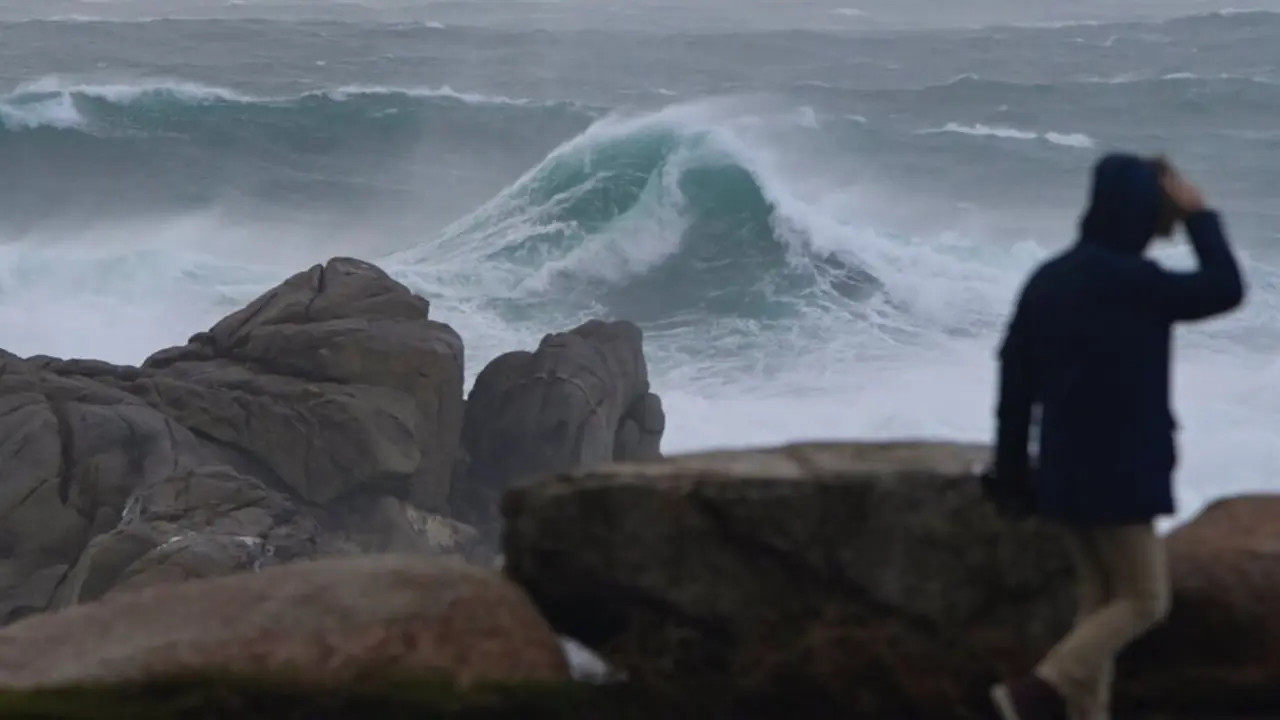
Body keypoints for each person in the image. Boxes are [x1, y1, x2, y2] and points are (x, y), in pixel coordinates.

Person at [987, 153, 1246, 720]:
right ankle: (1036, 690)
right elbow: (1226, 287)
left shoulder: (1048, 280)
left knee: (1099, 605)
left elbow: (1014, 387)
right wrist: (1200, 216)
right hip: (1122, 475)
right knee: (1145, 600)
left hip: (1061, 471)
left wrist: (1011, 475)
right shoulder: (1139, 283)